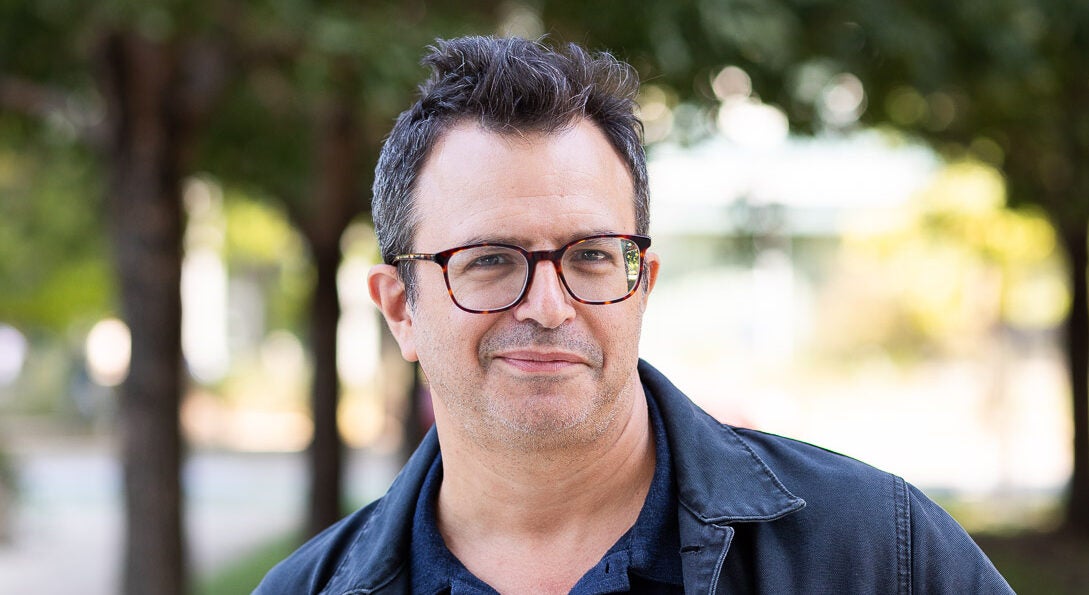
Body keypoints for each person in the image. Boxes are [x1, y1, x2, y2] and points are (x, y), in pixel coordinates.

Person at [255, 36, 1012, 594]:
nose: (548, 307)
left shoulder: (876, 552)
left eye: (589, 255)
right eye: (488, 261)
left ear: (641, 281)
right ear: (400, 309)